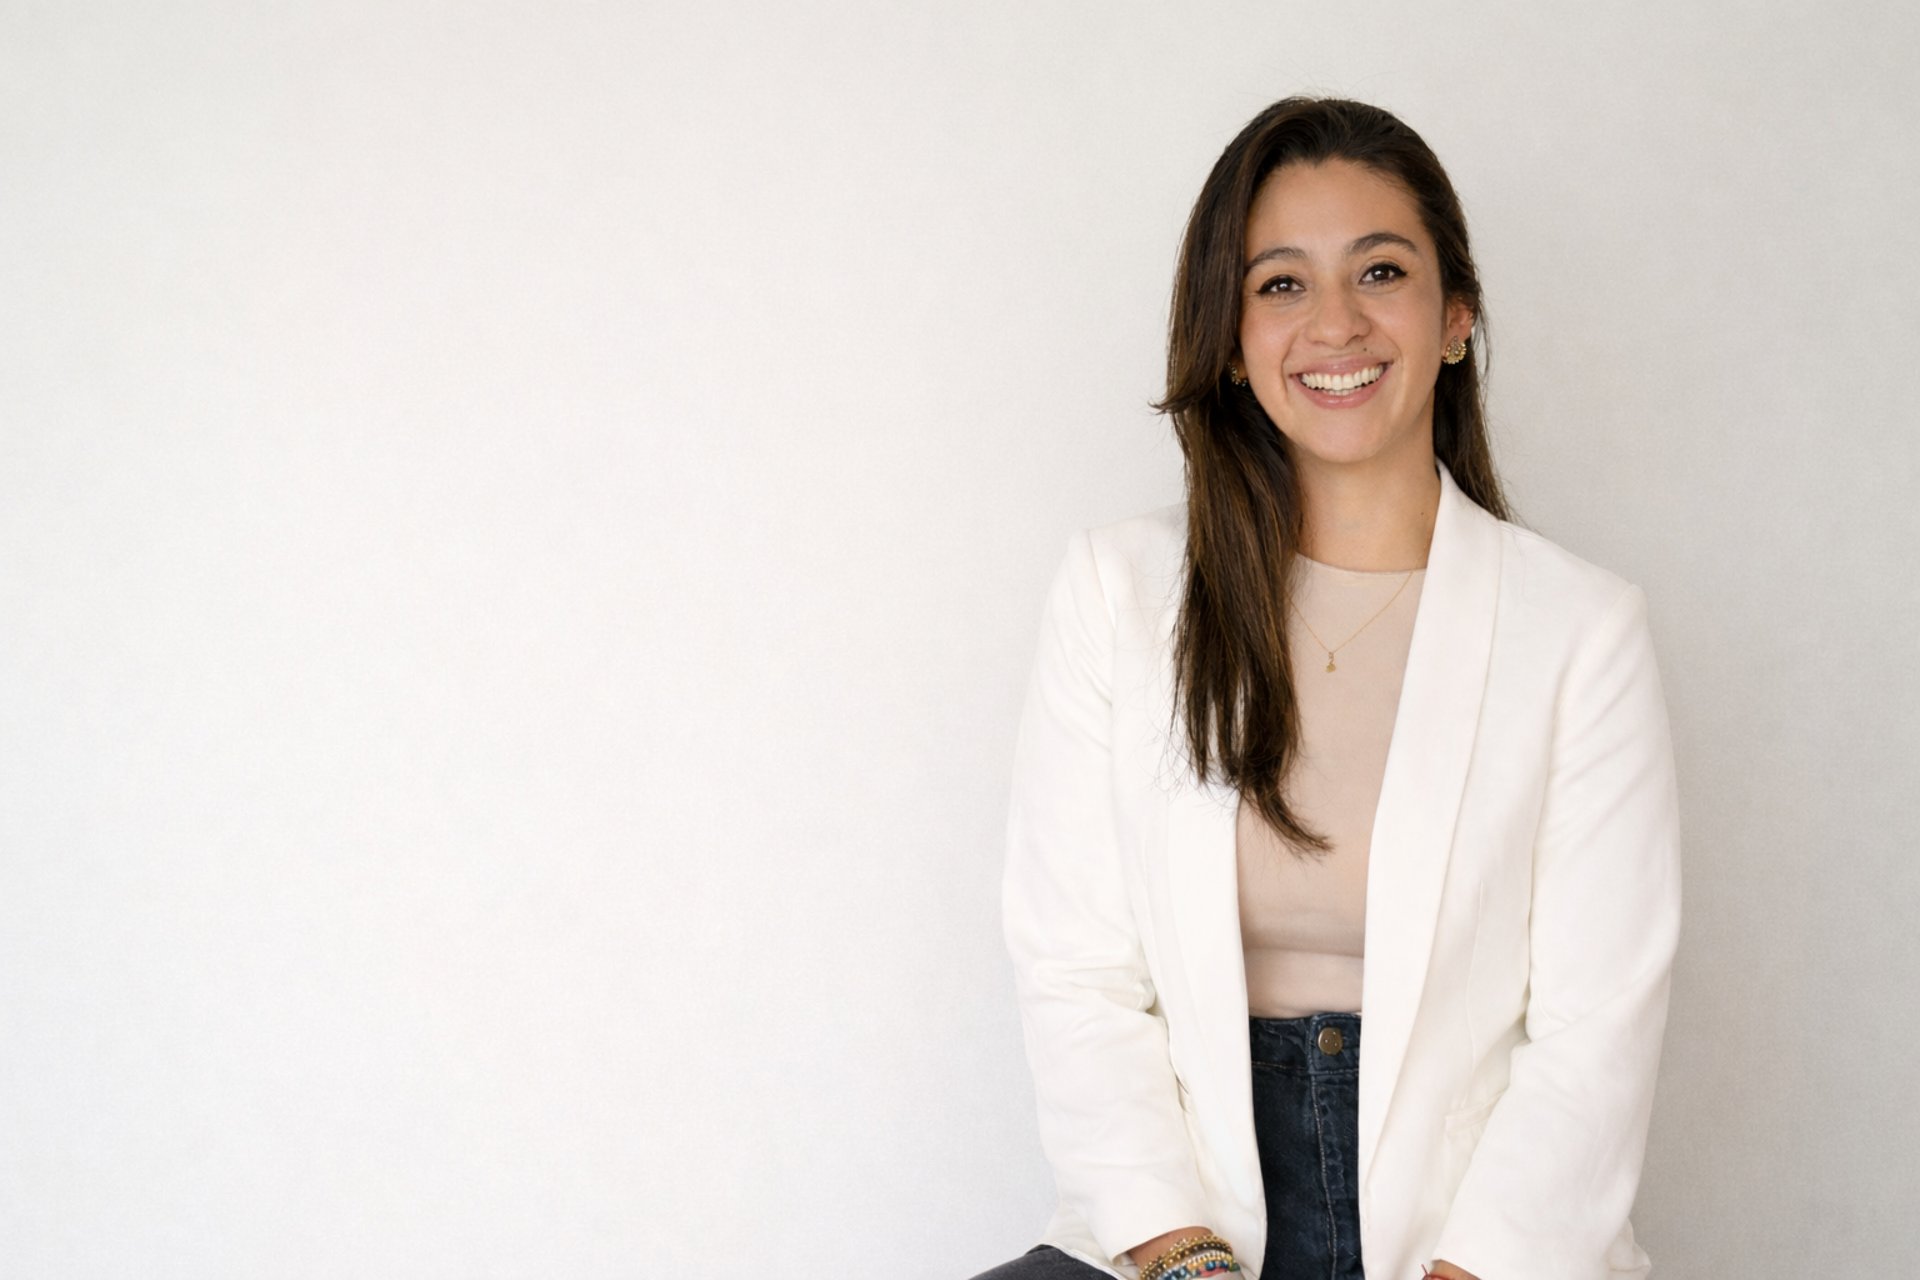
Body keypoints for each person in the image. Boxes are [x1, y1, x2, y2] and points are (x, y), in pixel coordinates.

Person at [968, 97, 1682, 1280]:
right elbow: (1076, 970)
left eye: (1382, 271)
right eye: (1281, 284)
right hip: (1179, 1214)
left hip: (1470, 1238)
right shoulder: (1119, 590)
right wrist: (1179, 1250)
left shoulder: (1582, 631)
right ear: (1232, 334)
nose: (1335, 323)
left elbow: (1594, 1034)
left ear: (1455, 316)